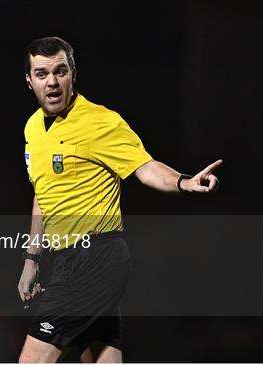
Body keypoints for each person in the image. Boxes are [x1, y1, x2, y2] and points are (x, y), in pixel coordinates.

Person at [17, 36, 222, 363]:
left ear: (73, 74)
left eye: (60, 71)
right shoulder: (32, 129)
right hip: (68, 261)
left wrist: (184, 181)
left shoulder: (100, 122)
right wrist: (32, 259)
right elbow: (42, 195)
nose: (52, 82)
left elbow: (146, 167)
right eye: (42, 74)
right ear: (30, 81)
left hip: (95, 257)